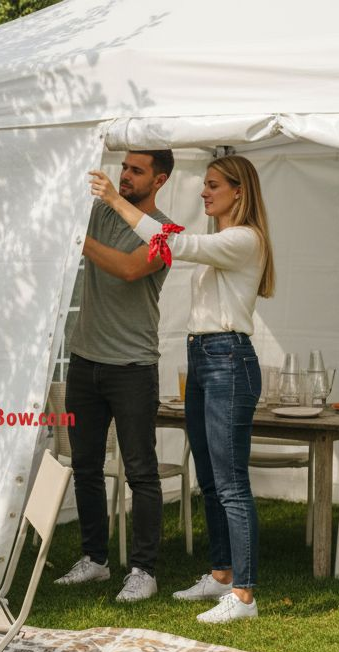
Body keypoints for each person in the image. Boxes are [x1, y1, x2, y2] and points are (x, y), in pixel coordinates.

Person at [88, 154, 275, 623]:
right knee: (211, 479)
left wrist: (114, 198)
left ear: (238, 192)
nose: (204, 192)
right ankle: (222, 574)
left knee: (231, 483)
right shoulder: (221, 240)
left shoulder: (242, 239)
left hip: (228, 359)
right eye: (205, 184)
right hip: (206, 358)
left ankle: (245, 595)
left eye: (213, 185)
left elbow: (170, 240)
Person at [54, 149, 176, 603]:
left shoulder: (166, 233)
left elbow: (128, 269)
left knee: (140, 472)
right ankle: (95, 561)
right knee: (85, 466)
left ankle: (144, 570)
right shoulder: (98, 214)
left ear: (159, 179)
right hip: (85, 361)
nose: (125, 175)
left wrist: (77, 239)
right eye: (124, 167)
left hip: (133, 368)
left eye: (136, 171)